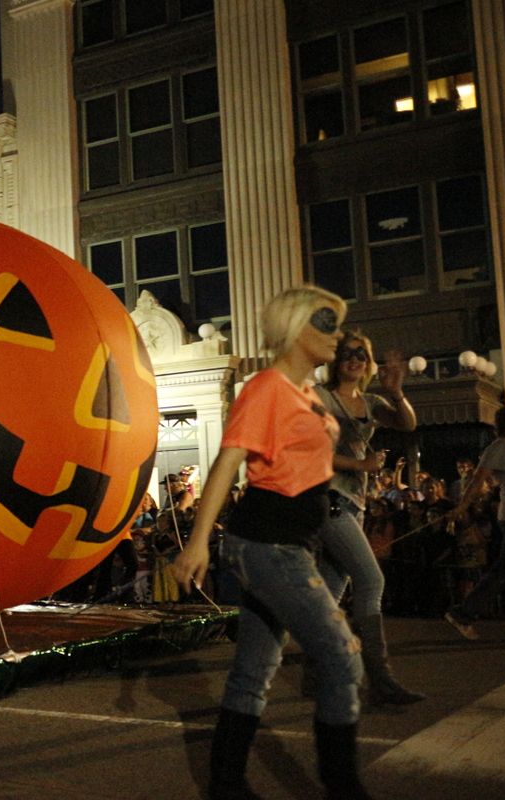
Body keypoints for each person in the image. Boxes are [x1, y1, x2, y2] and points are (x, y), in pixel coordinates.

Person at [172, 286, 371, 800]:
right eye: (325, 323)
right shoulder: (266, 388)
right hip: (267, 544)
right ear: (296, 326)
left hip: (292, 542)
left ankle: (225, 784)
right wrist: (195, 545)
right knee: (343, 655)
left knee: (254, 669)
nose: (337, 335)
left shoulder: (308, 394)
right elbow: (226, 464)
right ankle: (342, 787)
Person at [310, 332, 424, 705]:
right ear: (336, 360)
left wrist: (397, 391)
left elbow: (407, 424)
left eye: (361, 354)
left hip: (353, 503)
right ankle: (381, 679)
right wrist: (361, 464)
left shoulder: (370, 401)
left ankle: (321, 672)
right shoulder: (323, 398)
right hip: (328, 499)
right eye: (347, 354)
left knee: (330, 592)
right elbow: (313, 452)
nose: (355, 359)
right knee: (371, 580)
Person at [445, 405, 505, 640]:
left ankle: (463, 614)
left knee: (503, 572)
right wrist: (462, 507)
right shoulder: (500, 447)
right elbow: (478, 479)